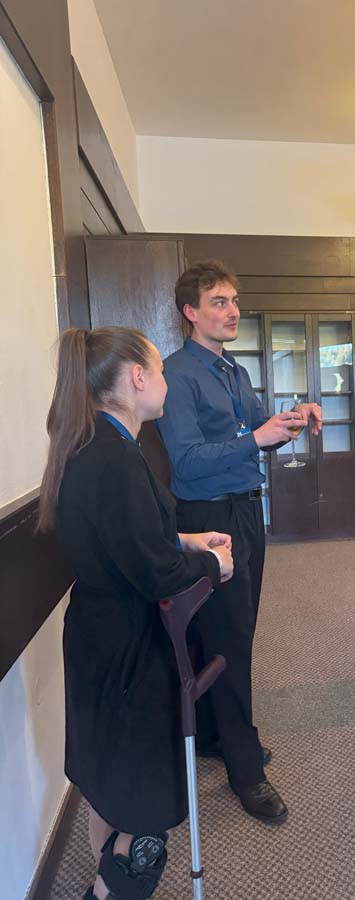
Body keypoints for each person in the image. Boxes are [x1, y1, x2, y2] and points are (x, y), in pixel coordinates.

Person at [38, 327, 234, 900]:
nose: (167, 382)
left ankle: (104, 881)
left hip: (96, 635)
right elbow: (155, 575)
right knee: (144, 815)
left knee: (109, 786)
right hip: (128, 649)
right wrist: (213, 565)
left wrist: (186, 539)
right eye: (161, 372)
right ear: (137, 377)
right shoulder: (116, 457)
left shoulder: (92, 444)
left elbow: (126, 538)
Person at [158, 260, 322, 825]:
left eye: (233, 300)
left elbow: (260, 433)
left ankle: (214, 736)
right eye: (219, 302)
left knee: (232, 629)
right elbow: (184, 460)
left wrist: (293, 419)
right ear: (190, 312)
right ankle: (245, 768)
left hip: (247, 511)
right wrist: (256, 437)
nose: (233, 311)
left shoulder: (235, 370)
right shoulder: (176, 374)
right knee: (230, 638)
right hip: (208, 517)